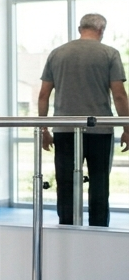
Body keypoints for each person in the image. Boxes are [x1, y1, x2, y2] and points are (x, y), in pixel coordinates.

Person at [38, 13, 129, 227]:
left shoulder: (57, 54)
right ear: (101, 30)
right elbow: (119, 95)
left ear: (80, 29)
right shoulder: (109, 53)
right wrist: (127, 127)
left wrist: (44, 130)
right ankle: (98, 229)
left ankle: (67, 226)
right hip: (100, 131)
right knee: (99, 183)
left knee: (66, 183)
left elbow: (43, 95)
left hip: (64, 130)